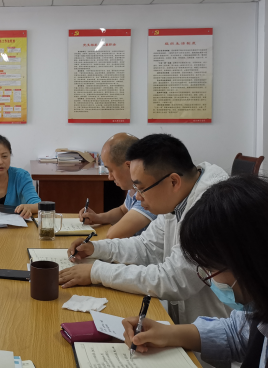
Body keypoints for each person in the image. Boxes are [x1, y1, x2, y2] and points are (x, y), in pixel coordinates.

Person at [122, 176, 268, 368]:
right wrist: (168, 333)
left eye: (210, 268)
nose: (210, 278)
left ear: (250, 263)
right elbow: (239, 333)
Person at [59, 134, 232, 327]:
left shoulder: (210, 209)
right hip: (184, 326)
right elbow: (147, 246)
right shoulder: (177, 197)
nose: (137, 198)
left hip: (213, 333)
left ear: (173, 182)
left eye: (141, 189)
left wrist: (97, 272)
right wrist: (96, 249)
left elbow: (173, 280)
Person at [78, 133, 157, 239]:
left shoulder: (149, 192)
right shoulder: (134, 187)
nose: (110, 177)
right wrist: (97, 218)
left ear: (129, 166)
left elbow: (114, 234)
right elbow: (123, 211)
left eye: (111, 170)